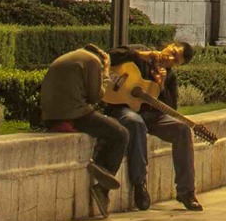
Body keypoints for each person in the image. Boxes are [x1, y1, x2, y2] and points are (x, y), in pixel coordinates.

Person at [113, 40, 204, 212]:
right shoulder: (140, 51)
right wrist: (141, 55)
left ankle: (186, 192)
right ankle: (140, 184)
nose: (169, 58)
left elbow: (171, 109)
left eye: (175, 60)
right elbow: (109, 55)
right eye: (172, 52)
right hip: (125, 109)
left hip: (152, 116)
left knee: (182, 130)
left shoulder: (168, 76)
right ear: (169, 45)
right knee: (136, 123)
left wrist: (161, 87)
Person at [38, 42, 127, 211]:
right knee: (120, 133)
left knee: (104, 127)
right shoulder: (93, 61)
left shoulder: (71, 57)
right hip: (74, 114)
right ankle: (102, 186)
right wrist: (106, 72)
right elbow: (95, 96)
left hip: (50, 116)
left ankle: (99, 164)